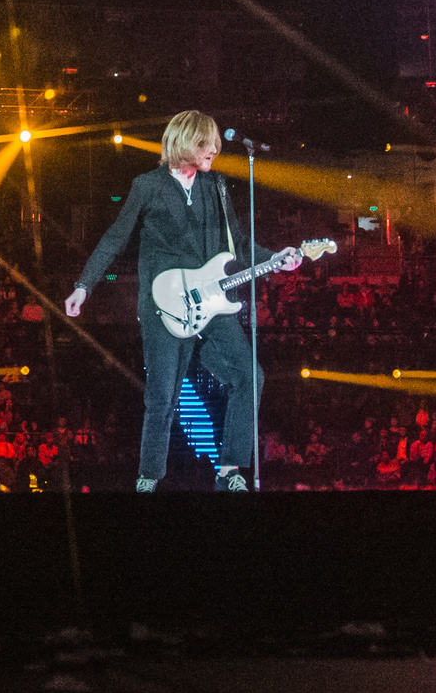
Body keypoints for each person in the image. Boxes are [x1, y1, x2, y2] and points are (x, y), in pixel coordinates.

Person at [64, 110, 298, 491]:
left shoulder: (217, 185)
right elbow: (115, 236)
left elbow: (236, 243)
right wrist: (84, 285)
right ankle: (149, 477)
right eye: (208, 146)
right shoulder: (148, 185)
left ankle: (230, 470)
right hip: (164, 301)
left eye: (217, 147)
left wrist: (275, 258)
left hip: (212, 297)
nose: (215, 153)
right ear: (187, 142)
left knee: (250, 376)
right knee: (164, 395)